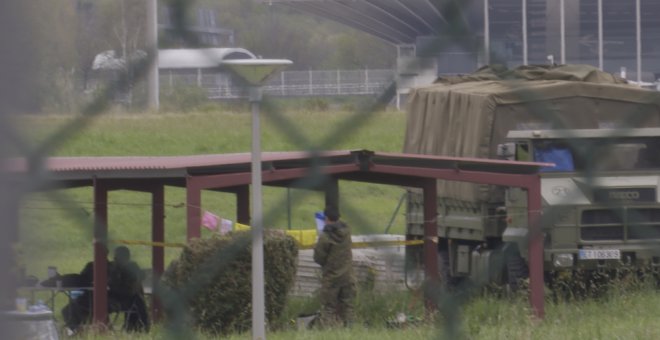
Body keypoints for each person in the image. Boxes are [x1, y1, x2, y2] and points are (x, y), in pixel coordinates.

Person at [313, 206, 356, 327]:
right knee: (348, 306)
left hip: (332, 277)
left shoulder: (325, 236)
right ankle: (351, 330)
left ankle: (328, 332)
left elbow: (318, 257)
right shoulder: (347, 231)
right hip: (348, 275)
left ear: (326, 218)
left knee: (328, 308)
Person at [109, 246, 150, 332]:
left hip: (127, 299)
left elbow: (140, 277)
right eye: (115, 257)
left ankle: (135, 325)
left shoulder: (131, 267)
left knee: (136, 298)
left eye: (117, 257)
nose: (115, 259)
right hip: (114, 298)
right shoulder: (112, 268)